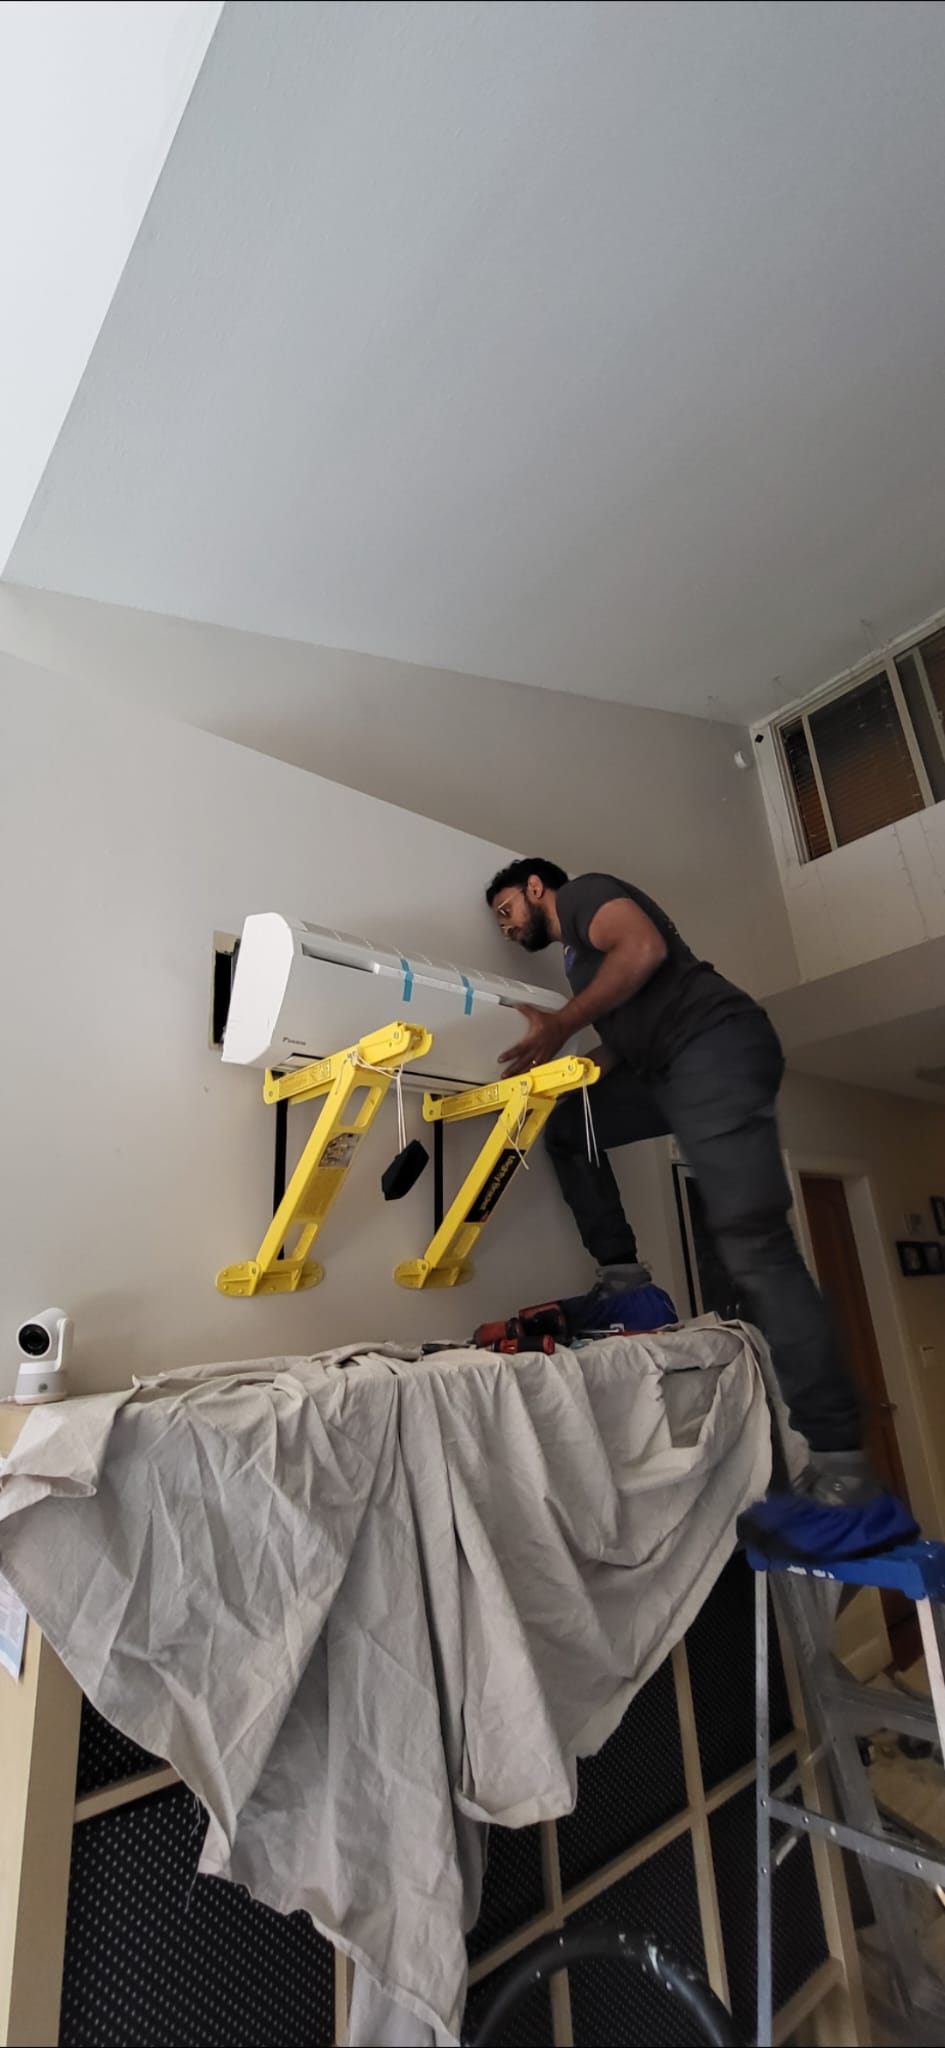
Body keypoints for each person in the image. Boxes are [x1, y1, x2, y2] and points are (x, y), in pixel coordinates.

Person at [485, 857, 885, 1514]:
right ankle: (623, 1279)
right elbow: (624, 1041)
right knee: (569, 1126)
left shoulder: (584, 895)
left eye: (506, 910)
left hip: (714, 1045)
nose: (505, 926)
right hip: (667, 1067)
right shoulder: (581, 962)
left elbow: (642, 948)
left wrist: (561, 1024)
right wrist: (559, 1074)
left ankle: (842, 1458)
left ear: (536, 888)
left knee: (754, 1244)